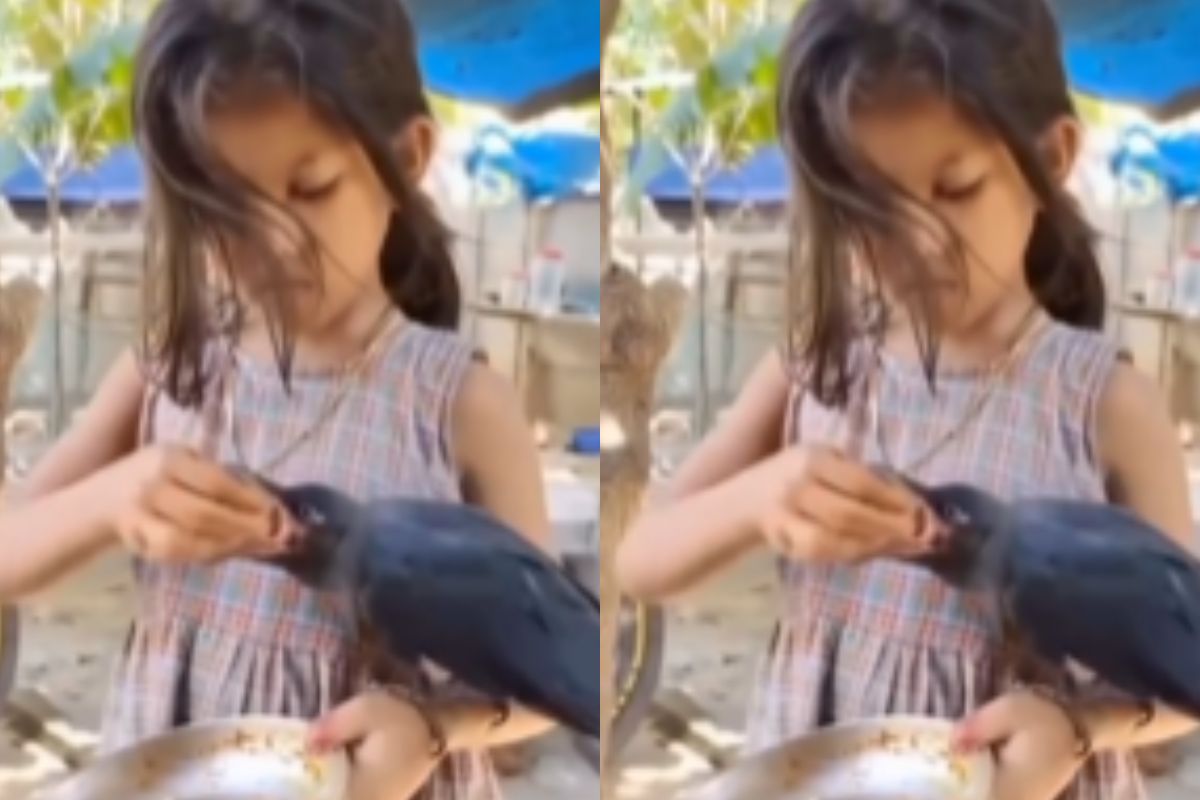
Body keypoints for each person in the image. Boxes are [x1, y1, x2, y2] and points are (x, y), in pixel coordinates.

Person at [616, 1, 1198, 799]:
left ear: (1052, 158)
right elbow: (642, 563)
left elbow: (1187, 672)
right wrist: (761, 496)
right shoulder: (813, 367)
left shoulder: (1105, 403)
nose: (919, 246)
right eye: (866, 209)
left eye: (955, 189)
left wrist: (1079, 727)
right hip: (818, 771)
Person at [0, 1, 555, 798]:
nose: (272, 248)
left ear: (407, 157)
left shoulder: (462, 402)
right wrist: (111, 499)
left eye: (311, 189)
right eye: (220, 210)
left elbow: (549, 675)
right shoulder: (171, 367)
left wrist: (438, 727)